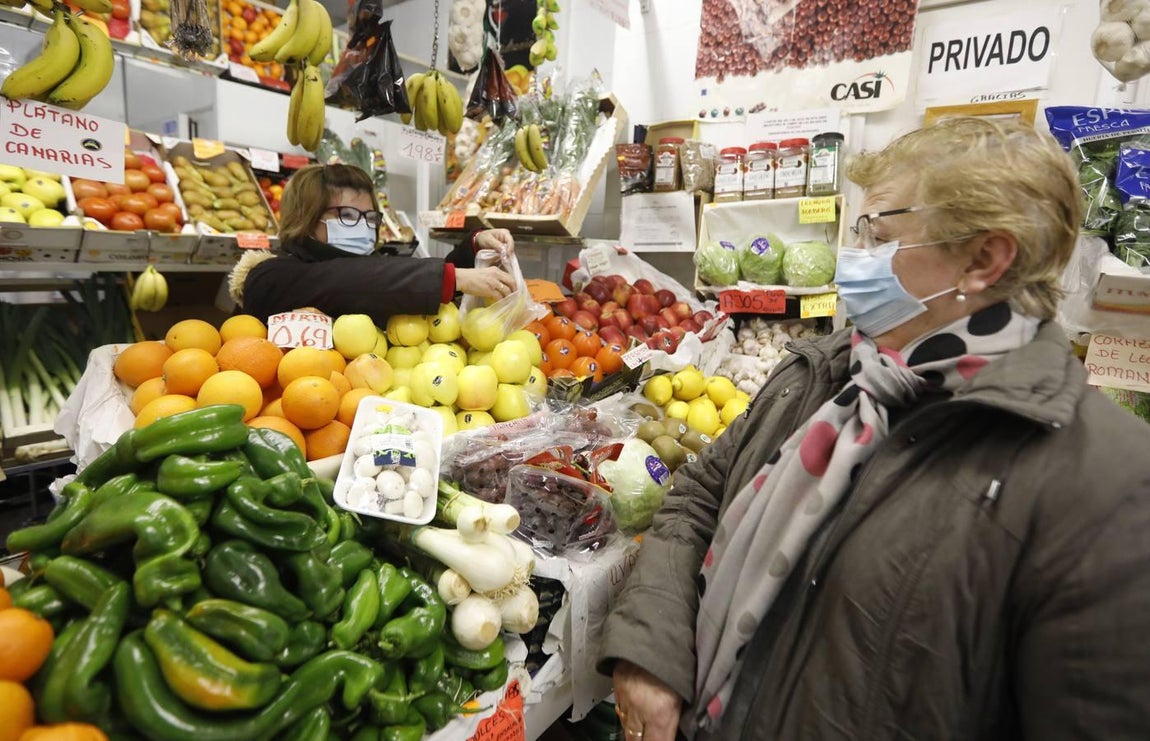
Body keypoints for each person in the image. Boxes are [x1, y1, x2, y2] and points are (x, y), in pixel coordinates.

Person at [599, 117, 1150, 741]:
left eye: (878, 234)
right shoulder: (822, 372)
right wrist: (652, 650)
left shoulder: (1106, 488)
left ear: (984, 259)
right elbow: (698, 498)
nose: (851, 257)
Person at [229, 163, 516, 324]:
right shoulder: (269, 276)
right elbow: (348, 282)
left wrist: (474, 247)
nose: (364, 226)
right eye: (348, 215)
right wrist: (453, 278)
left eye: (370, 217)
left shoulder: (371, 271)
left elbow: (389, 282)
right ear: (307, 218)